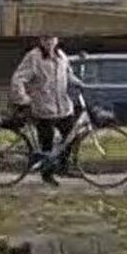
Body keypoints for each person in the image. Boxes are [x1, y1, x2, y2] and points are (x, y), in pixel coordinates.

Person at [9, 35, 81, 185]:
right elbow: (18, 78)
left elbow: (68, 75)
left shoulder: (61, 55)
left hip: (63, 107)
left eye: (52, 39)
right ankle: (47, 174)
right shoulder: (33, 57)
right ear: (41, 41)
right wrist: (22, 98)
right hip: (43, 107)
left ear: (57, 40)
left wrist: (82, 84)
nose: (49, 42)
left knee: (72, 136)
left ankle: (62, 166)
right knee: (46, 144)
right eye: (45, 39)